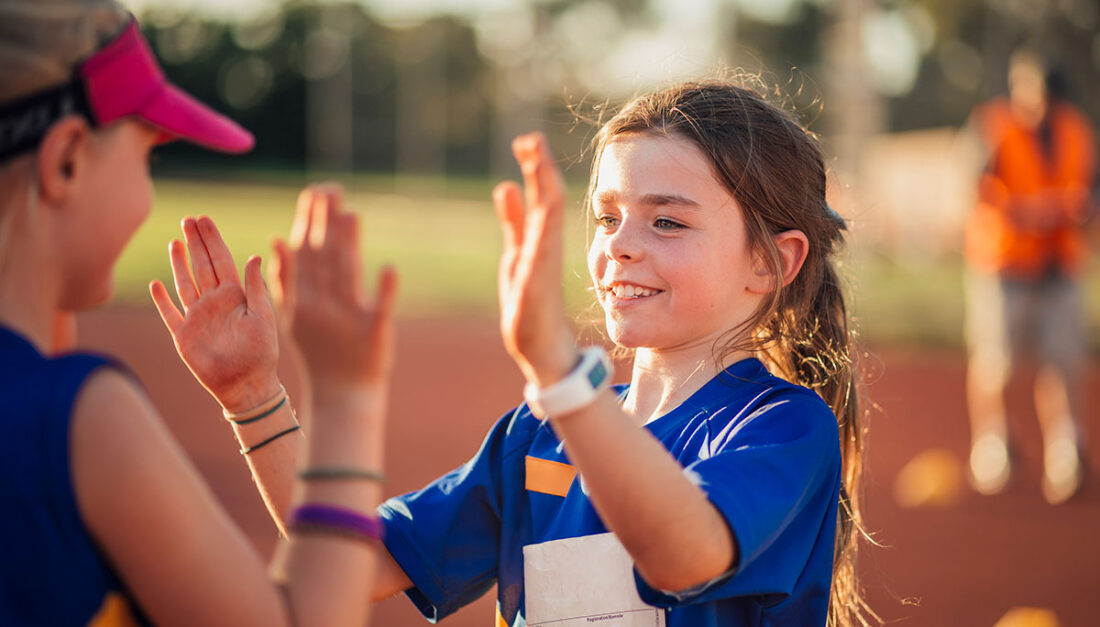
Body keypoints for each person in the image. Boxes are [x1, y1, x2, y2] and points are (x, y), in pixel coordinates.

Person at [165, 80, 875, 626]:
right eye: (606, 215)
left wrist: (562, 378)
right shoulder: (538, 434)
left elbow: (682, 554)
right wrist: (254, 396)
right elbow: (347, 565)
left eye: (666, 220)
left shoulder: (782, 428)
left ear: (770, 263)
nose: (620, 243)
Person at [0, 2, 397, 625]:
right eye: (146, 159)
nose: (148, 188)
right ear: (67, 161)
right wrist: (347, 396)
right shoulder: (82, 418)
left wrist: (252, 394)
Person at [963, 49, 1095, 503]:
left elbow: (1090, 188)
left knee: (1062, 361)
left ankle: (1067, 451)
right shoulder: (994, 127)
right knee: (996, 361)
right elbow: (971, 188)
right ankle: (994, 445)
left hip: (1059, 265)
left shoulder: (1076, 130)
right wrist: (1025, 212)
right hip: (1004, 265)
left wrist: (1078, 211)